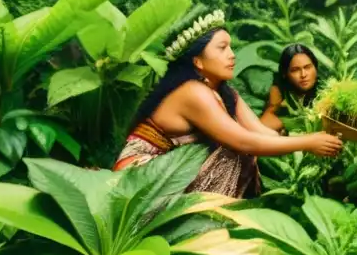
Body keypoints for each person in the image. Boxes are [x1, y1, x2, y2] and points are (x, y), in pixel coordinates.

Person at [114, 11, 341, 197]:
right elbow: (244, 141)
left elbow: (263, 134)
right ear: (197, 61)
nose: (232, 55)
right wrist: (308, 142)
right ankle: (210, 220)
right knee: (233, 152)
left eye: (230, 47)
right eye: (222, 48)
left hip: (174, 169)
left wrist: (318, 137)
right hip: (138, 177)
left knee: (238, 152)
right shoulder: (193, 92)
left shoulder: (226, 93)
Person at [260, 43, 320, 133]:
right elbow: (262, 127)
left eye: (307, 67)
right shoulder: (279, 93)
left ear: (315, 68)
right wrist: (274, 108)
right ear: (285, 74)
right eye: (295, 70)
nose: (303, 75)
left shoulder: (325, 91)